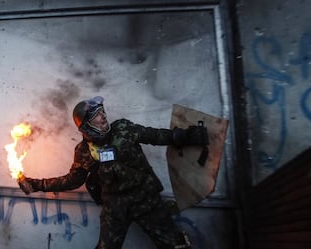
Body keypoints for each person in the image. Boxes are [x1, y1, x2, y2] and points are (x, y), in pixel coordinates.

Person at [19, 96, 207, 249]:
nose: (103, 117)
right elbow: (72, 181)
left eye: (102, 112)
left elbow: (155, 136)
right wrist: (37, 184)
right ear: (86, 126)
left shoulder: (123, 129)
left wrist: (184, 136)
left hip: (146, 201)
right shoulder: (84, 151)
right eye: (96, 116)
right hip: (115, 210)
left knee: (174, 245)